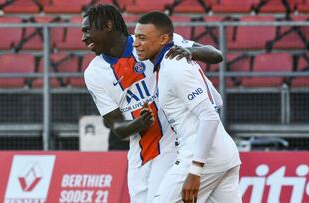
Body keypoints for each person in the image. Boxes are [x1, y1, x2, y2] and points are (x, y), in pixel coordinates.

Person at [81, 4, 223, 203]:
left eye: (88, 30)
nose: (83, 37)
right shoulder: (94, 73)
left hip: (175, 144)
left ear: (108, 26)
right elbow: (116, 127)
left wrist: (189, 51)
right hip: (139, 155)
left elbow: (216, 55)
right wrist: (138, 123)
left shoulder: (151, 41)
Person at [133, 11, 242, 203]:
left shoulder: (174, 67)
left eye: (142, 38)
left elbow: (209, 116)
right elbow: (217, 101)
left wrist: (195, 170)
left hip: (202, 159)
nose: (135, 44)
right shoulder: (171, 62)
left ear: (163, 39)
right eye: (135, 38)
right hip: (224, 152)